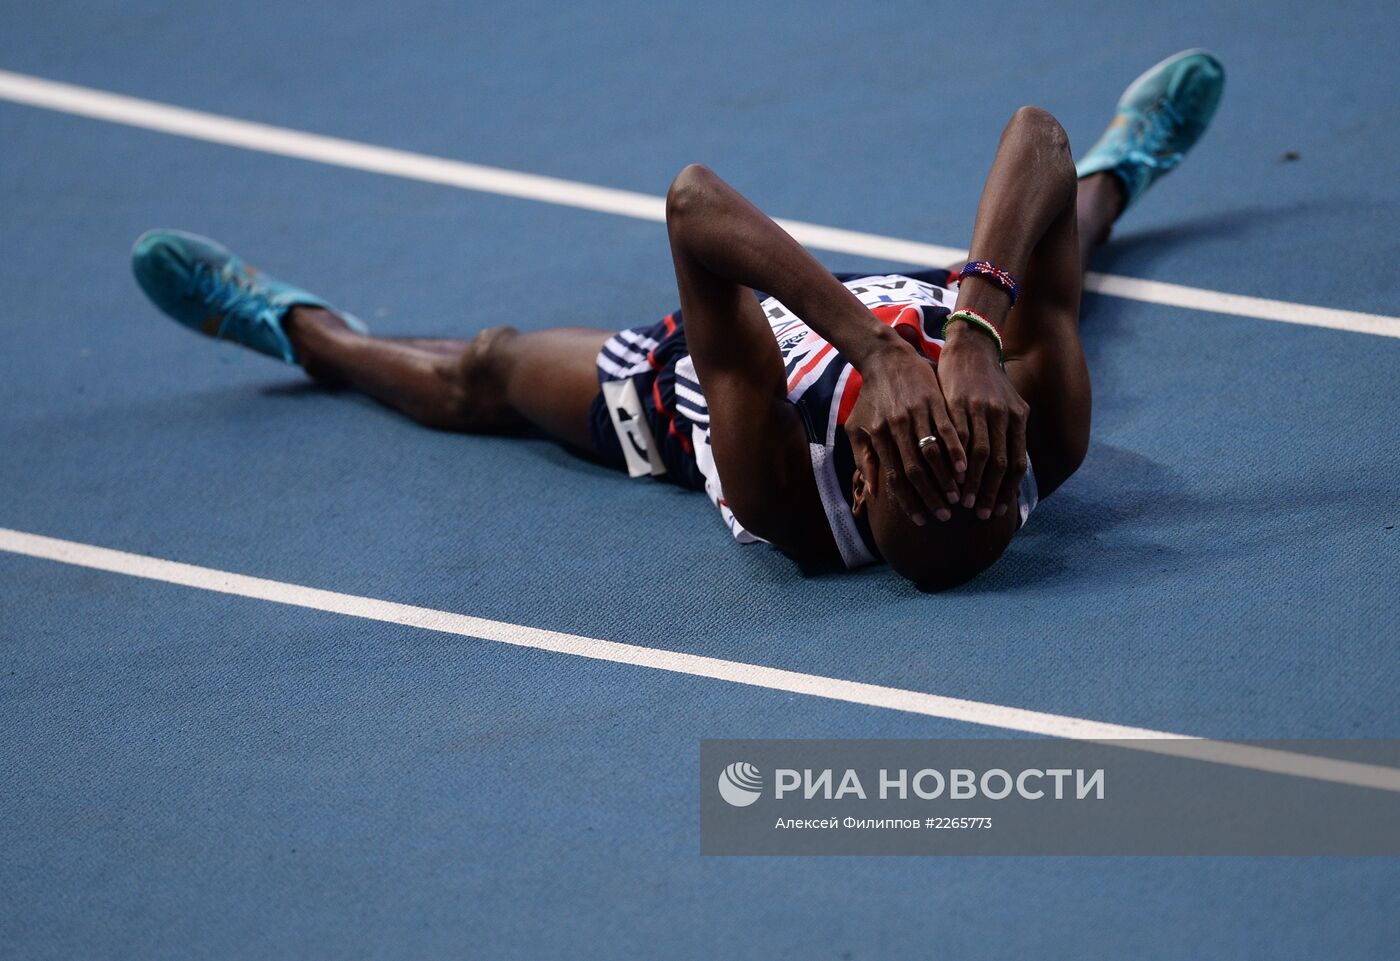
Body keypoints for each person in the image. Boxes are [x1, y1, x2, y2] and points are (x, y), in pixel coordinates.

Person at [130, 50, 1224, 589]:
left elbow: (695, 203)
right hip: (897, 308)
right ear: (1003, 445)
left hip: (696, 377)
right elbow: (1031, 131)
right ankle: (1124, 167)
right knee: (1052, 252)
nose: (941, 414)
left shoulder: (784, 490)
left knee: (490, 369)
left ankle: (297, 327)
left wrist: (862, 350)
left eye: (913, 442)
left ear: (857, 476)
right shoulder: (1041, 428)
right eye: (967, 432)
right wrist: (970, 336)